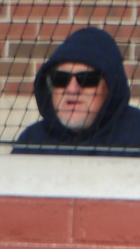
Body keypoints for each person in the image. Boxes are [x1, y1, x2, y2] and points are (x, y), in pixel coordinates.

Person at [13, 26, 140, 155]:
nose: (72, 90)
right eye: (60, 79)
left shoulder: (135, 138)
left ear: (111, 87)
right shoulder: (32, 142)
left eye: (87, 79)